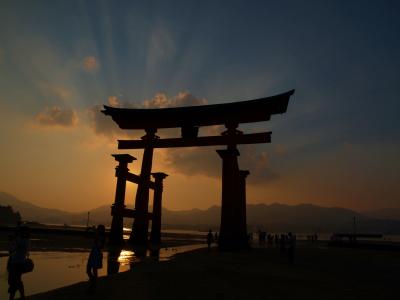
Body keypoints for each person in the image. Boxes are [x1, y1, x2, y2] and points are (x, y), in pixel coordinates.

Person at [7, 226, 31, 300]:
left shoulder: (24, 241)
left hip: (18, 263)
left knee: (14, 280)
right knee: (16, 280)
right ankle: (21, 295)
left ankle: (14, 296)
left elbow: (15, 247)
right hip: (17, 262)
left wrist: (14, 238)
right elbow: (12, 249)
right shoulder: (23, 240)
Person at [87, 225, 106, 292]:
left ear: (102, 230)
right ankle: (93, 281)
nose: (98, 230)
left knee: (94, 270)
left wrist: (94, 230)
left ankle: (94, 283)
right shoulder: (98, 236)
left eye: (99, 229)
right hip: (93, 252)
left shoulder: (102, 237)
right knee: (88, 270)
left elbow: (99, 245)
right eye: (98, 229)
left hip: (97, 253)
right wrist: (92, 230)